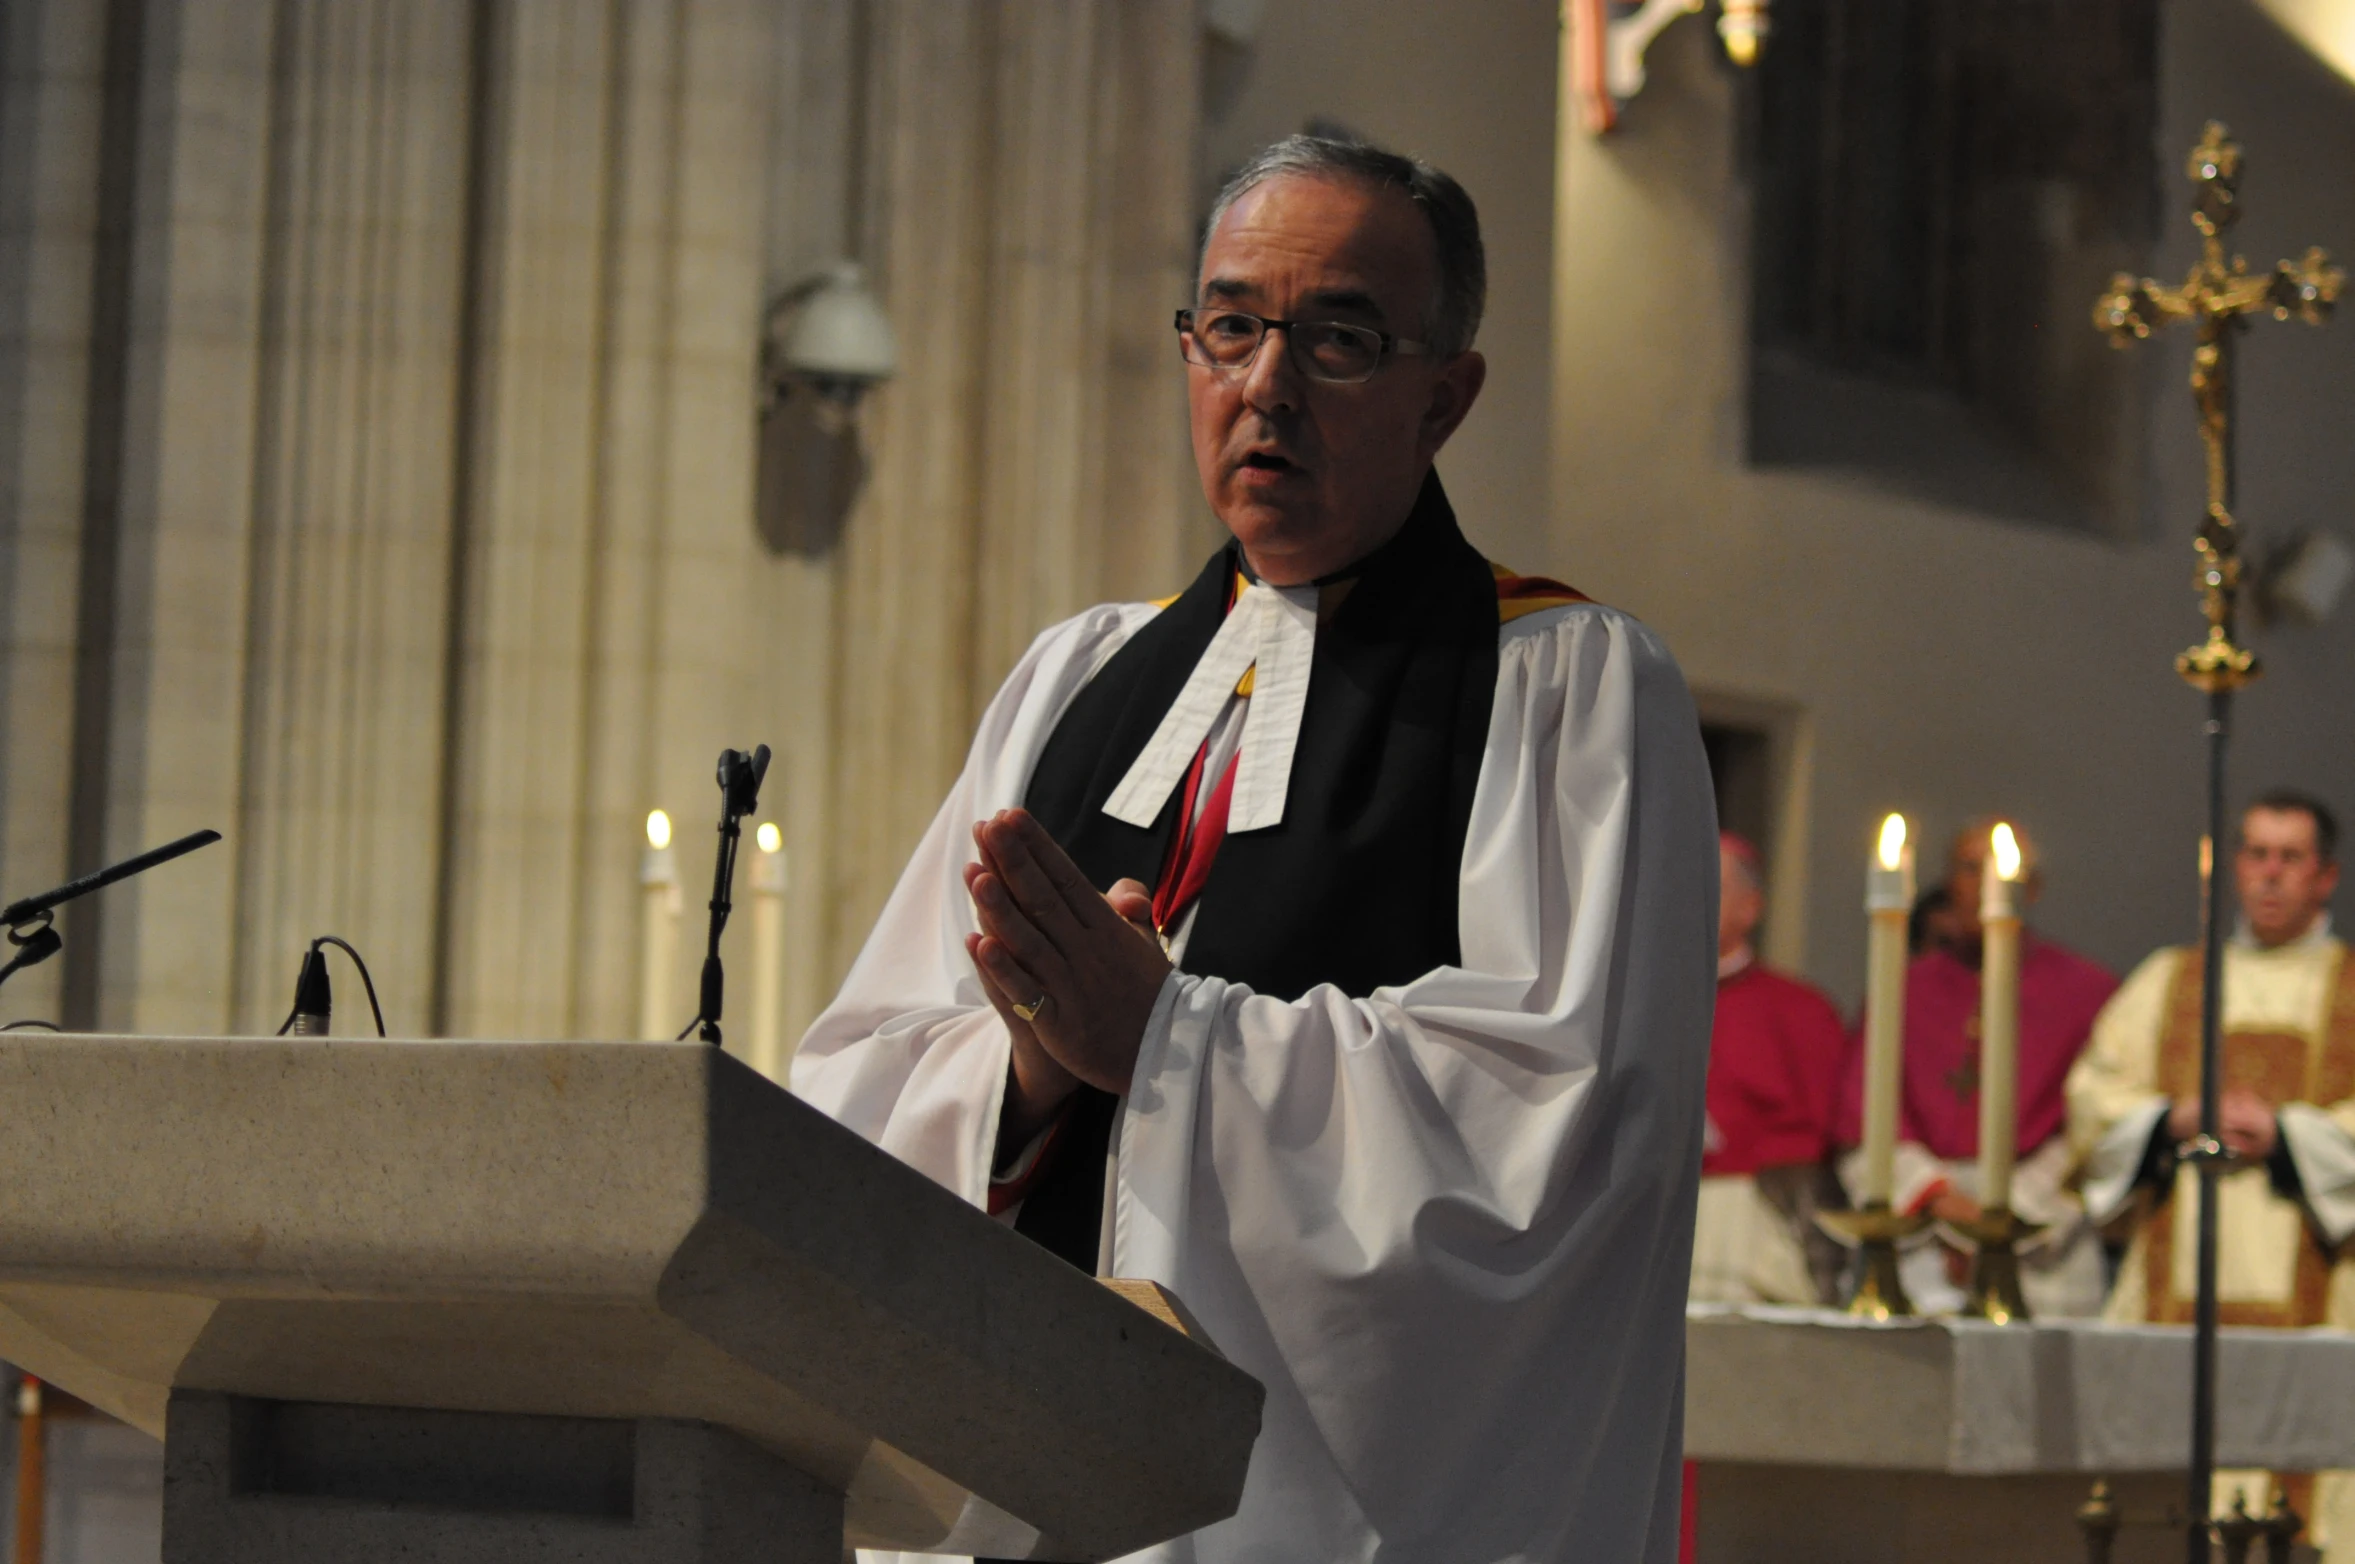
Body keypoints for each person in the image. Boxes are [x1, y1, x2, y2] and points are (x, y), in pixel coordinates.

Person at [793, 135, 1716, 1564]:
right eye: (1229, 327)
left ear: (1444, 397)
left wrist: (1162, 1040)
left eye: (1339, 338)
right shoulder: (1076, 676)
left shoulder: (1564, 691)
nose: (1266, 385)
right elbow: (859, 1081)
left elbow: (1555, 1138)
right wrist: (1028, 1069)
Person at [2069, 790, 2355, 1554]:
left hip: (2320, 1285)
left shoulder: (2350, 983)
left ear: (2325, 876)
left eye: (2289, 858)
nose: (2268, 875)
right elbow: (2092, 1100)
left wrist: (2288, 1133)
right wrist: (2171, 1119)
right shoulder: (2170, 979)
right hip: (2177, 1270)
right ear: (2233, 866)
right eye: (2255, 854)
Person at [1837, 819, 2118, 1316]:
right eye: (1969, 869)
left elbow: (2094, 1126)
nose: (1983, 885)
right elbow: (1866, 1115)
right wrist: (1942, 1203)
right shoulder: (1904, 988)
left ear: (2031, 889)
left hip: (2038, 1232)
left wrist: (2002, 1215)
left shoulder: (2087, 992)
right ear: (1948, 883)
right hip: (1920, 1229)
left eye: (2000, 871)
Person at [1691, 831, 1847, 1305]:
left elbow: (1819, 1132)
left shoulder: (1800, 1010)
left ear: (1750, 907)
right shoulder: (1630, 1004)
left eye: (1705, 885)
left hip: (1754, 1218)